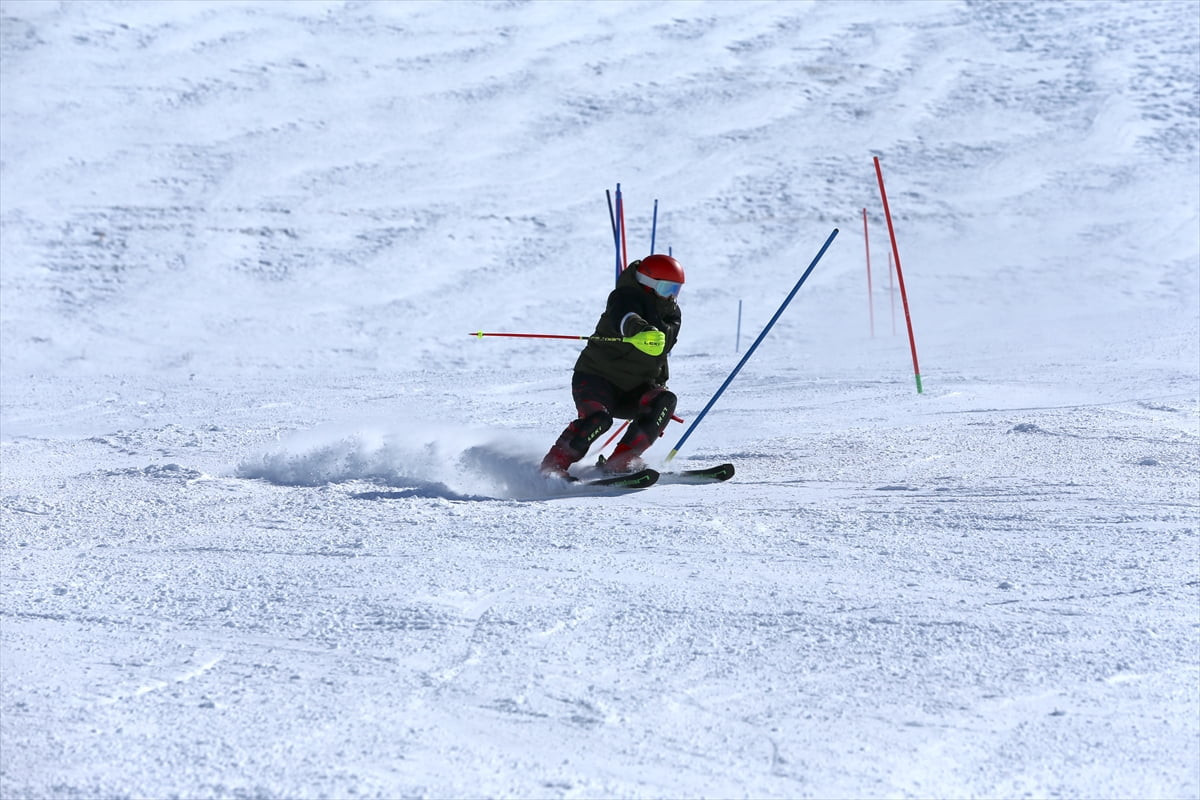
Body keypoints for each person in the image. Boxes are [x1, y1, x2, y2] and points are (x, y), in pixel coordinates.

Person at [539, 254, 685, 478]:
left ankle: (621, 460)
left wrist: (659, 384)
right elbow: (624, 316)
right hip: (596, 378)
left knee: (665, 401)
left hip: (633, 389)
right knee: (598, 420)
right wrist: (638, 330)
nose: (672, 296)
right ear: (649, 283)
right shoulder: (625, 296)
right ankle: (553, 466)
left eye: (676, 290)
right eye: (667, 289)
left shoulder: (672, 314)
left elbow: (662, 351)